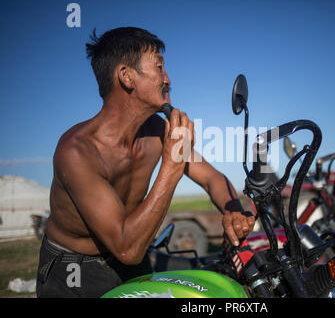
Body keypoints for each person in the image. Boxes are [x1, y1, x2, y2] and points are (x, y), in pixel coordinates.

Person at [36, 27, 255, 297]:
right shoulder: (77, 152)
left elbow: (211, 178)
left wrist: (232, 208)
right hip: (74, 270)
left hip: (132, 257)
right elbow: (127, 248)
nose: (168, 79)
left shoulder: (156, 130)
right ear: (126, 76)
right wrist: (172, 165)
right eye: (160, 68)